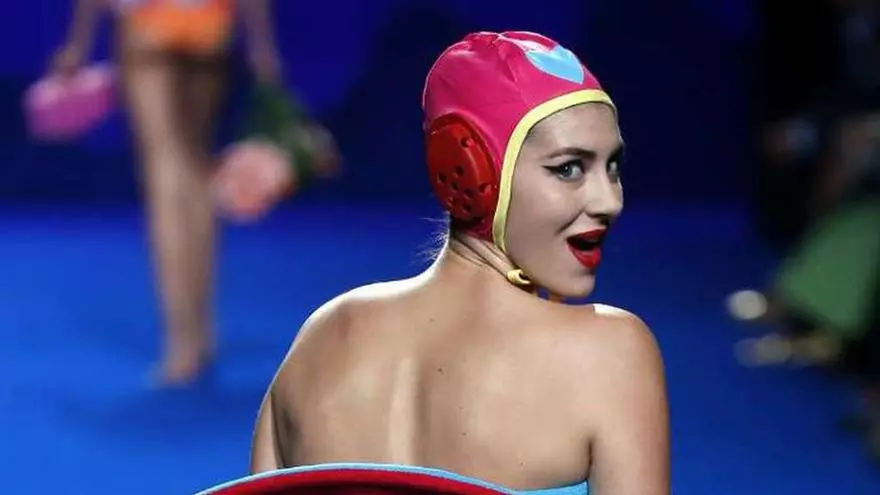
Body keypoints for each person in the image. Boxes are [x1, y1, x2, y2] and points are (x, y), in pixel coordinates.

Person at [248, 31, 669, 495]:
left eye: (613, 167)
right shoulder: (611, 354)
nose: (609, 201)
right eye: (568, 168)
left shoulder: (319, 338)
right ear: (469, 172)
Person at [50, 0, 281, 385]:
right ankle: (203, 332)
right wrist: (262, 45)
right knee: (197, 174)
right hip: (208, 25)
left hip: (148, 25)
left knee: (166, 178)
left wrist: (78, 41)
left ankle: (181, 341)